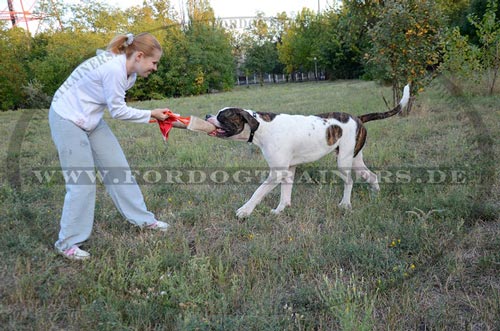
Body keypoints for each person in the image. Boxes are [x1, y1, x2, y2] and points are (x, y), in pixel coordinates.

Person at [49, 32, 170, 260]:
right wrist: (152, 114)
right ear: (139, 56)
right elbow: (118, 111)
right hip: (66, 117)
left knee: (118, 169)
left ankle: (144, 220)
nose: (155, 68)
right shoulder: (114, 69)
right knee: (82, 181)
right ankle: (67, 243)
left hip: (91, 119)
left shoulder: (129, 73)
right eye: (154, 63)